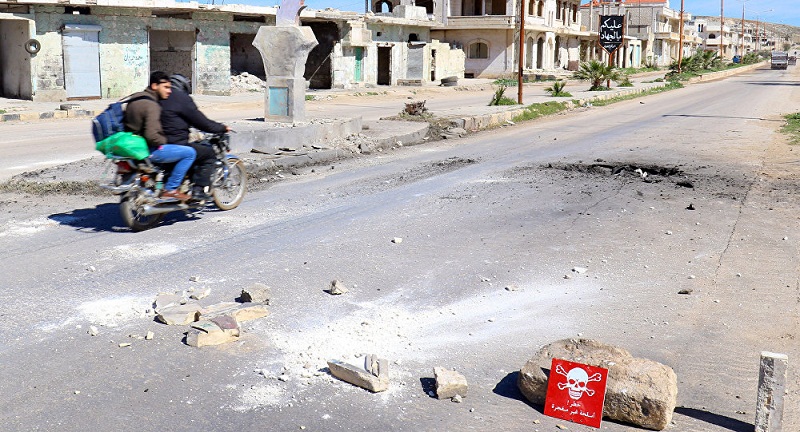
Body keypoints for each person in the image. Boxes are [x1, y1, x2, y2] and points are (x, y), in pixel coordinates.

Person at [125, 71, 196, 201]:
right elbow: (152, 136)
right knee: (189, 153)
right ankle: (171, 189)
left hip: (132, 146)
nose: (169, 91)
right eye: (166, 87)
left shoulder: (136, 97)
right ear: (154, 86)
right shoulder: (152, 105)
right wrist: (164, 141)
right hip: (148, 150)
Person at [160, 73, 230, 201]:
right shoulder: (182, 99)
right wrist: (221, 127)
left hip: (157, 145)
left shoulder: (158, 97)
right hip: (176, 144)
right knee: (208, 154)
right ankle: (199, 190)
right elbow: (201, 122)